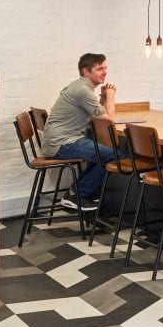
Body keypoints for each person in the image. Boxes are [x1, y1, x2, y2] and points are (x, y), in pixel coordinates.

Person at [41, 53, 119, 212]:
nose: (105, 72)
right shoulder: (83, 90)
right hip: (61, 144)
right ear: (86, 71)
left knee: (102, 150)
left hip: (60, 140)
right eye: (100, 69)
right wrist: (110, 95)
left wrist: (103, 97)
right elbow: (109, 120)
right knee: (115, 155)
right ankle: (77, 194)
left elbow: (97, 115)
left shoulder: (80, 87)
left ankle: (81, 191)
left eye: (105, 68)